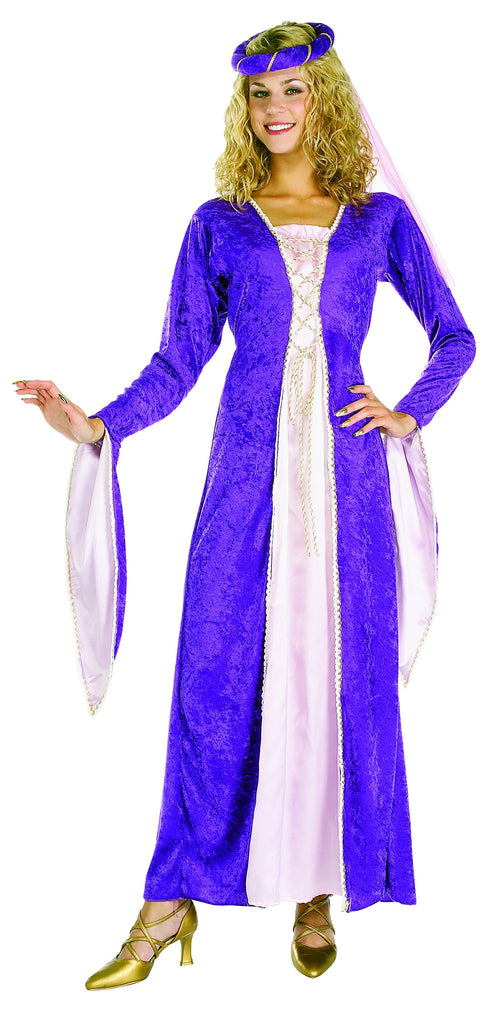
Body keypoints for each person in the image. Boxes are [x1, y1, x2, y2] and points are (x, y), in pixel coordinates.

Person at [14, 20, 476, 984]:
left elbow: (455, 336)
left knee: (334, 673)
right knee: (216, 672)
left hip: (347, 488)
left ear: (324, 98)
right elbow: (179, 358)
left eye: (292, 90)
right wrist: (95, 424)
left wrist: (405, 413)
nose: (274, 110)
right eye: (259, 94)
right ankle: (168, 900)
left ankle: (315, 891)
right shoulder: (218, 223)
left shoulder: (378, 221)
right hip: (243, 484)